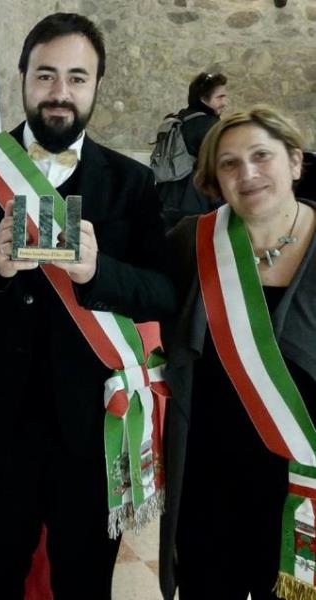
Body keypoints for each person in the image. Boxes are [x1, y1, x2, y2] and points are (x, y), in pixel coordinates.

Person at [0, 12, 176, 600]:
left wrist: (99, 273)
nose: (60, 92)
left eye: (77, 78)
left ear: (97, 84)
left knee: (84, 583)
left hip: (92, 425)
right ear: (23, 77)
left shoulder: (131, 182)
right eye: (46, 75)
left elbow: (164, 290)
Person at [159, 106, 316, 600]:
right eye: (229, 163)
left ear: (295, 161)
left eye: (261, 156)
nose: (247, 173)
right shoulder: (191, 242)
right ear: (214, 179)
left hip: (302, 488)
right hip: (210, 481)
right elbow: (137, 295)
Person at [157, 72, 228, 231]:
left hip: (166, 199)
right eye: (220, 97)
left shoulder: (180, 118)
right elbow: (215, 170)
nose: (225, 102)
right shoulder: (209, 126)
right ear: (203, 98)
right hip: (195, 205)